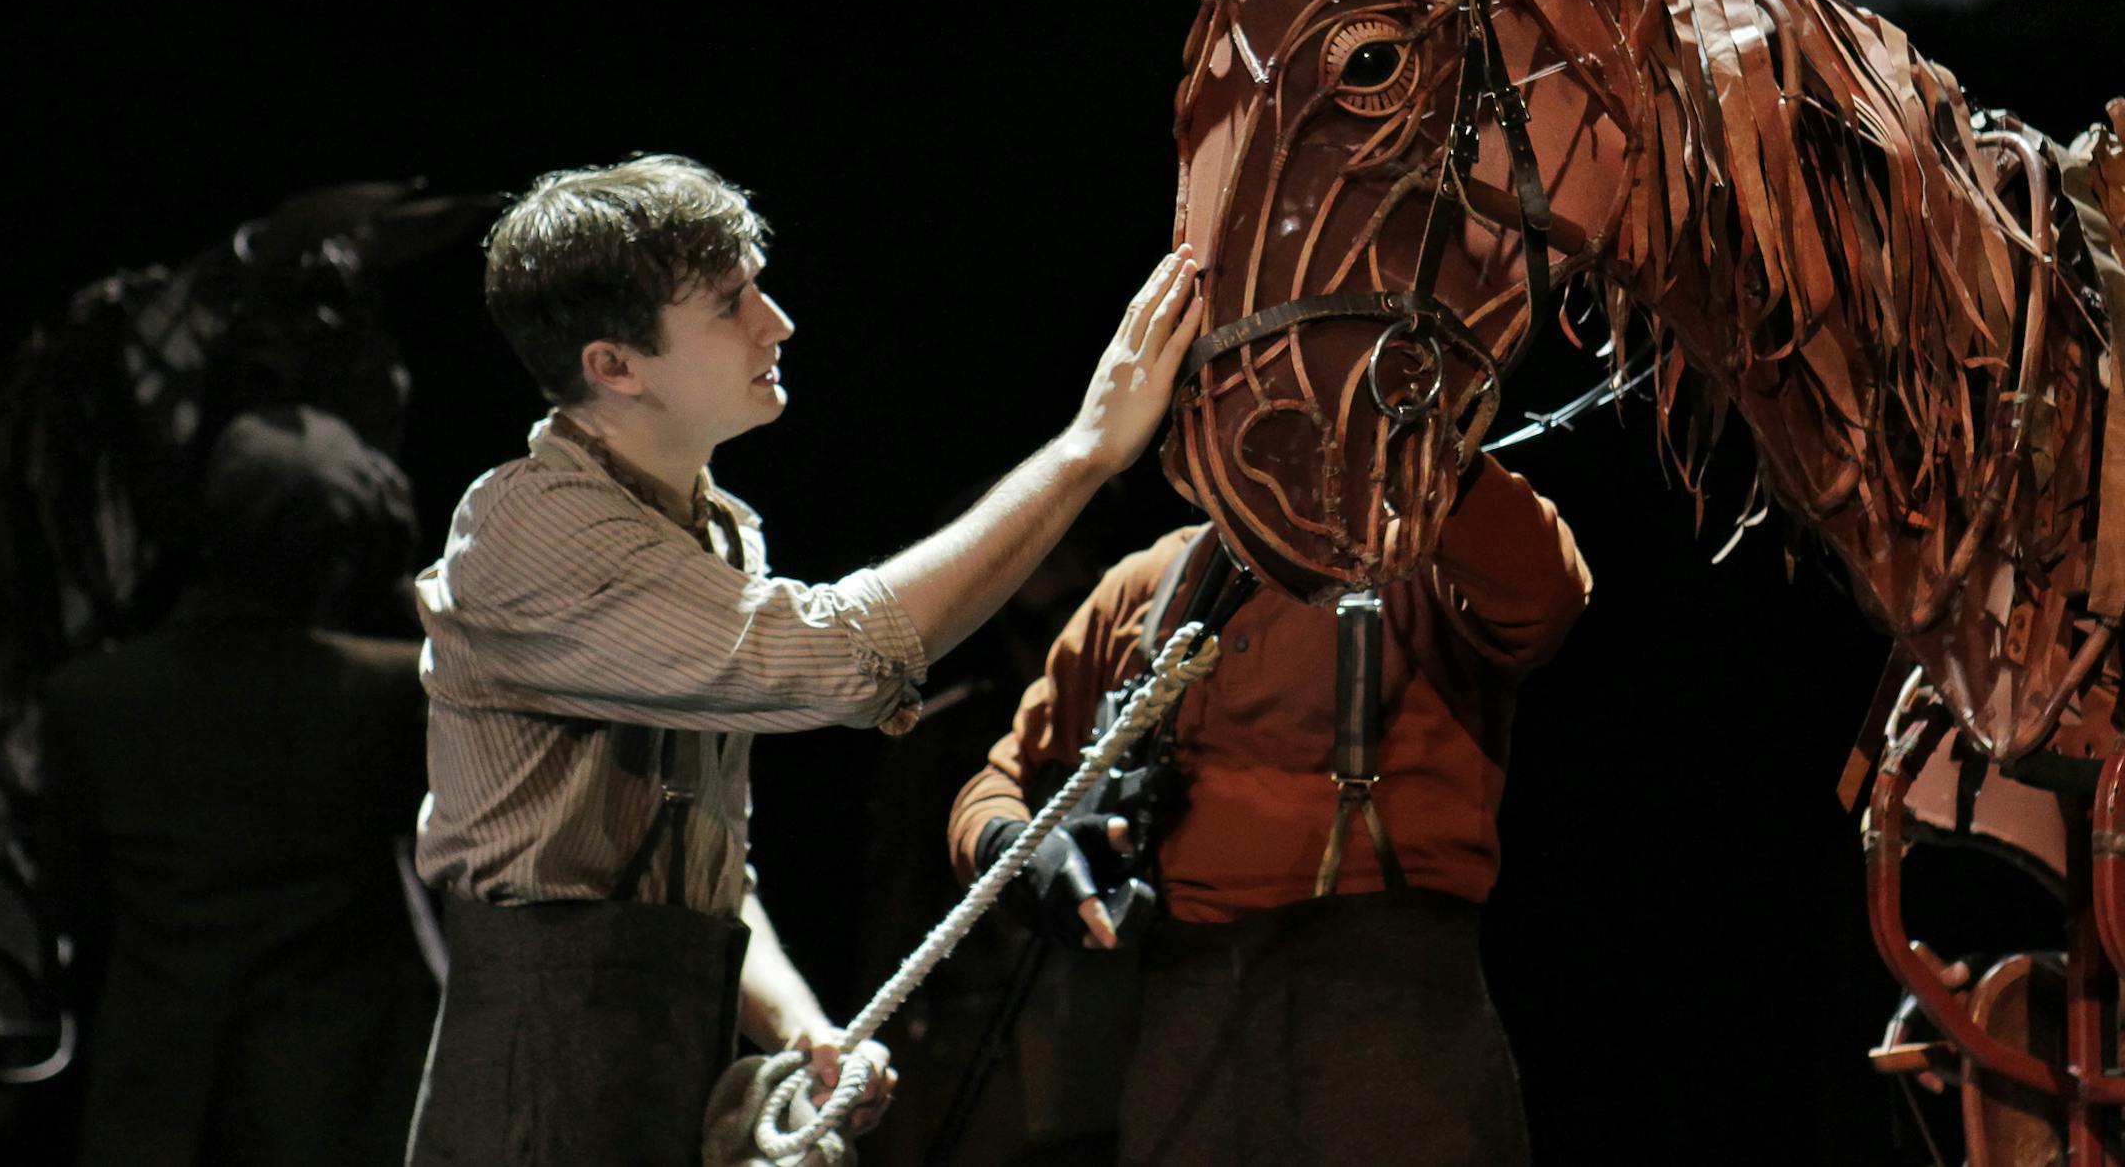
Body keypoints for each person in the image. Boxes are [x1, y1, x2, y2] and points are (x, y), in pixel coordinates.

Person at [404, 153, 1199, 1166]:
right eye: (731, 302)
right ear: (615, 365)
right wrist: (1087, 448)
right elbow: (843, 657)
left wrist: (800, 1029)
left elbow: (700, 869)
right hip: (540, 1078)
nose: (775, 322)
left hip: (657, 1053)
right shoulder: (533, 526)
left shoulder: (710, 533)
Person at [948, 454, 1592, 1166]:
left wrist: (1425, 449)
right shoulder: (1145, 587)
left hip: (1398, 1048)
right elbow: (997, 783)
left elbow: (1546, 594)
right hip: (1188, 1053)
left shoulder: (1420, 557)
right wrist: (1014, 850)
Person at [41, 405, 437, 1167]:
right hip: (343, 1104)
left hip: (157, 1105)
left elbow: (71, 902)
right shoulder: (396, 693)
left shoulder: (90, 698)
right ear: (341, 553)